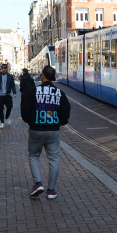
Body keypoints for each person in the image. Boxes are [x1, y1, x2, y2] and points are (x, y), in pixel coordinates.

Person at [22, 65, 70, 199]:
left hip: (36, 130)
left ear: (42, 76)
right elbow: (66, 112)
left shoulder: (33, 92)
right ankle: (51, 190)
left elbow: (25, 111)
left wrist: (31, 121)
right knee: (54, 160)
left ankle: (38, 183)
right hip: (53, 131)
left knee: (33, 156)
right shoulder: (60, 93)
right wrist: (59, 122)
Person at [0, 64, 16, 128]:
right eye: (2, 68)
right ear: (1, 69)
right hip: (0, 95)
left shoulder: (10, 76)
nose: (3, 69)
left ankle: (7, 117)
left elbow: (13, 85)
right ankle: (2, 122)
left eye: (5, 68)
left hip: (7, 95)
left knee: (9, 107)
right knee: (0, 109)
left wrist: (14, 92)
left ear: (6, 69)